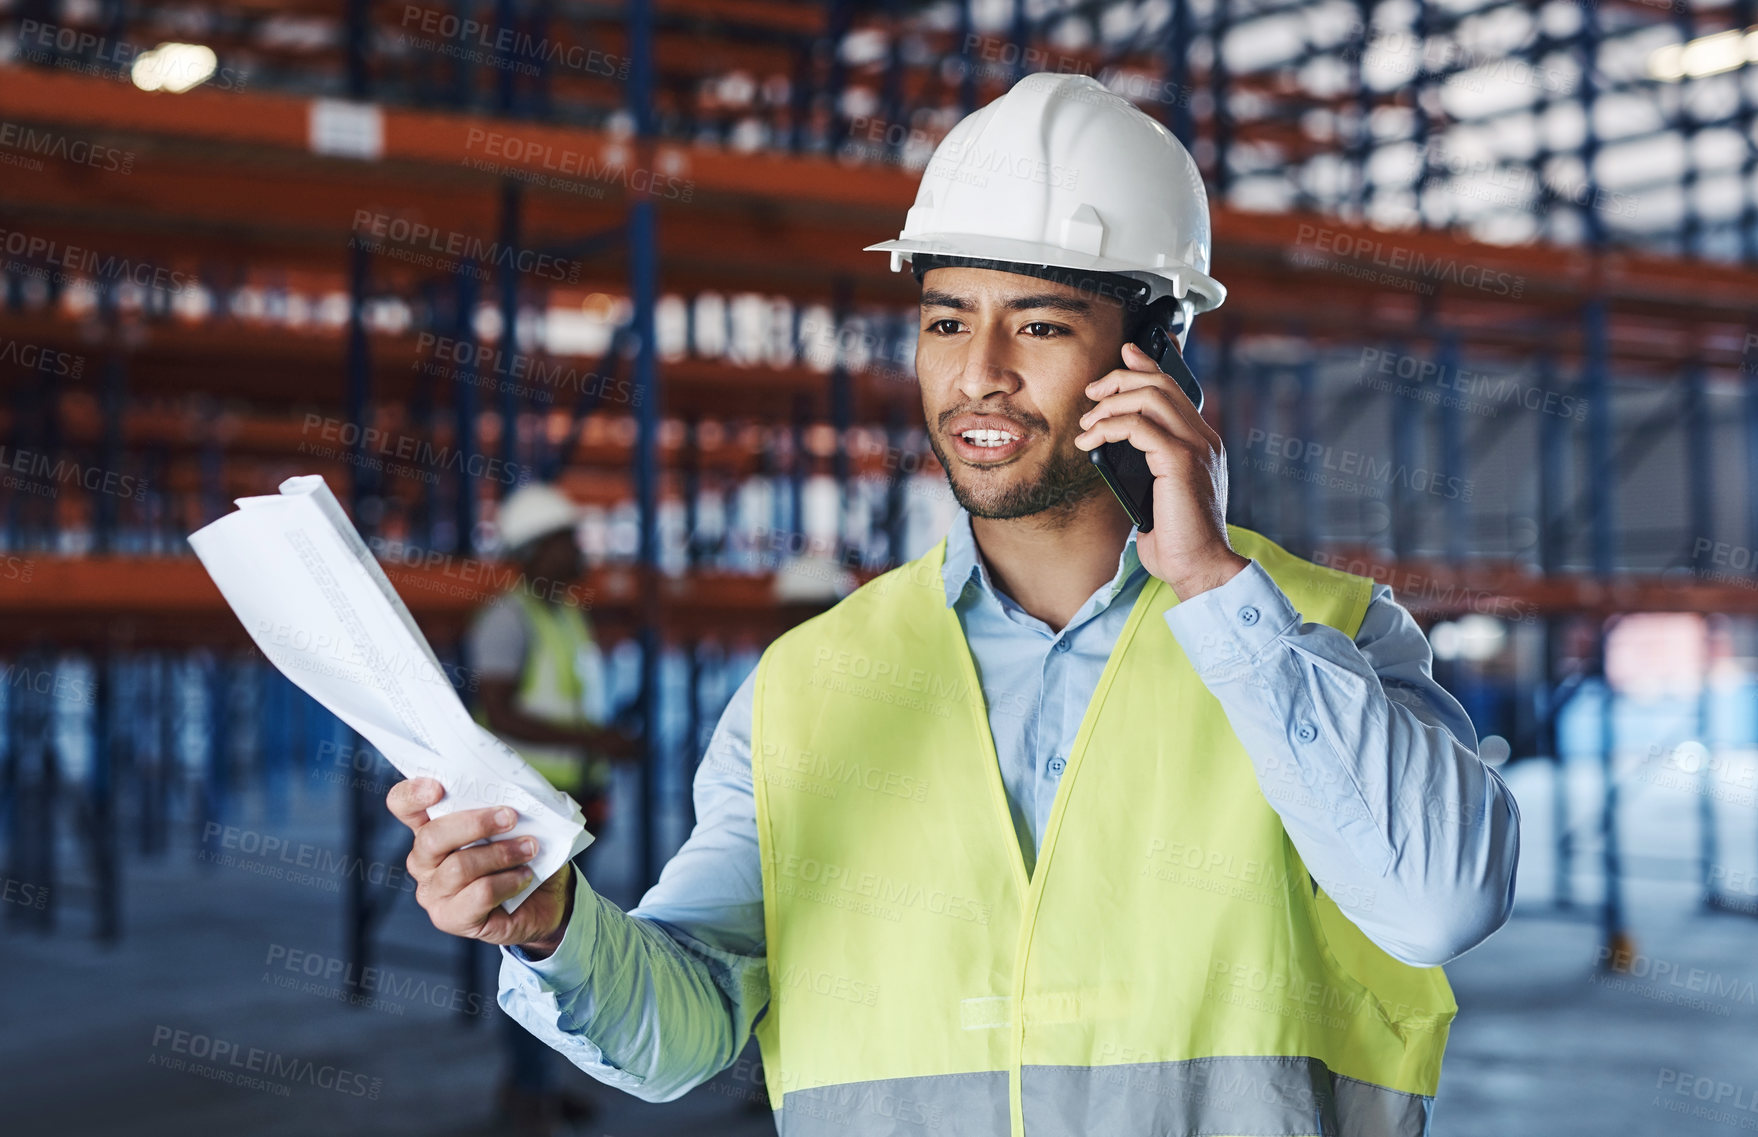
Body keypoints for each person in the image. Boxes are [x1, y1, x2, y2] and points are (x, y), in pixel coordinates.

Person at [388, 73, 1520, 1136]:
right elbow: (683, 1034)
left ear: (1156, 362)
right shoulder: (811, 684)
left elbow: (1438, 907)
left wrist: (1214, 586)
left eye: (1036, 325)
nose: (978, 372)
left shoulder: (1325, 632)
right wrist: (554, 932)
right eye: (944, 321)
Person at [463, 481, 637, 1134]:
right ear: (533, 551)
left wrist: (601, 744)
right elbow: (502, 711)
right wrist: (597, 739)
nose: (579, 549)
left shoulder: (565, 615)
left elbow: (569, 702)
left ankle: (538, 1083)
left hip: (573, 807)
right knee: (533, 954)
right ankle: (527, 1093)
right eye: (567, 539)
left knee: (566, 956)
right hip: (526, 819)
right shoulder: (507, 619)